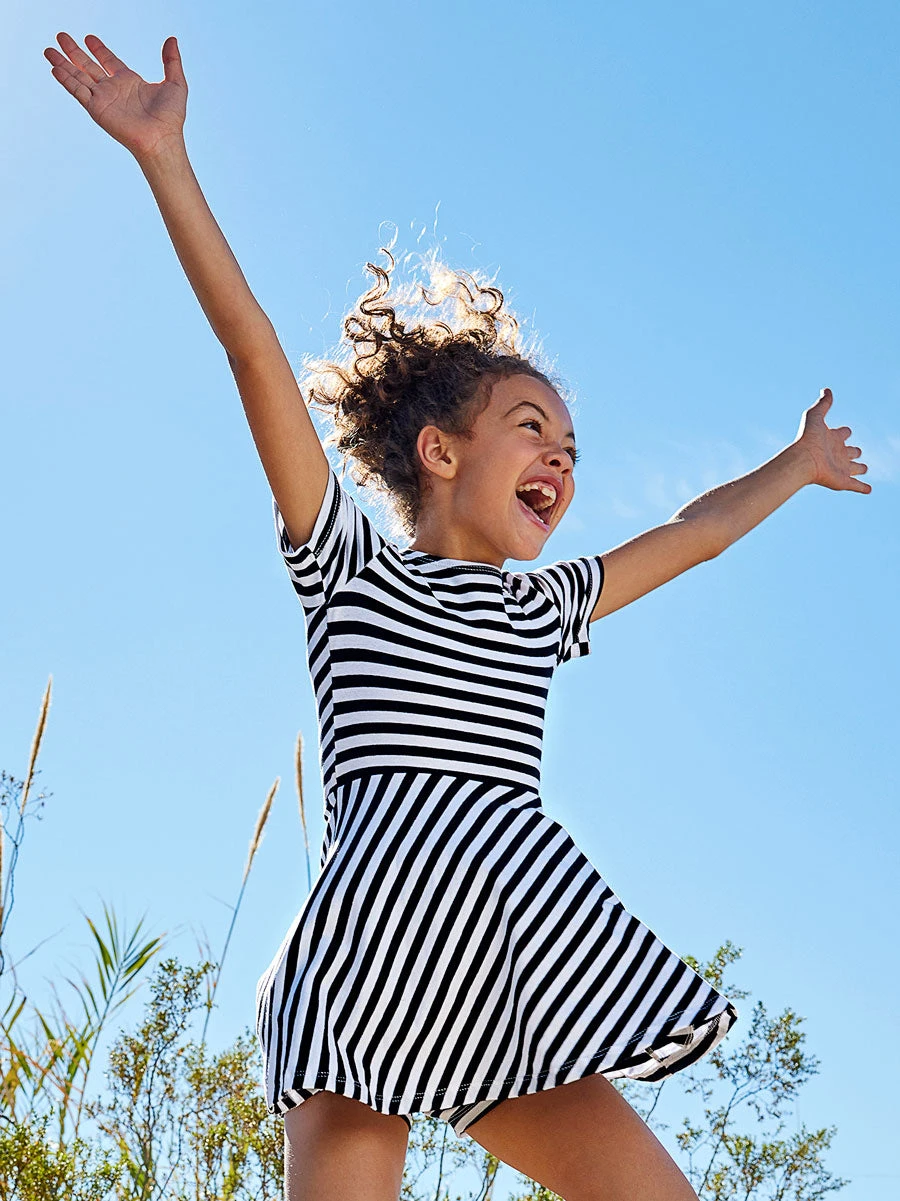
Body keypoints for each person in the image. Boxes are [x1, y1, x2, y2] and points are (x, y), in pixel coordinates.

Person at [43, 32, 871, 1201]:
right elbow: (251, 352)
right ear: (439, 451)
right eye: (532, 428)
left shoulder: (546, 603)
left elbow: (696, 533)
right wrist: (165, 158)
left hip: (505, 969)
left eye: (572, 449)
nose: (562, 460)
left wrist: (791, 466)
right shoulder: (350, 573)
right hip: (370, 968)